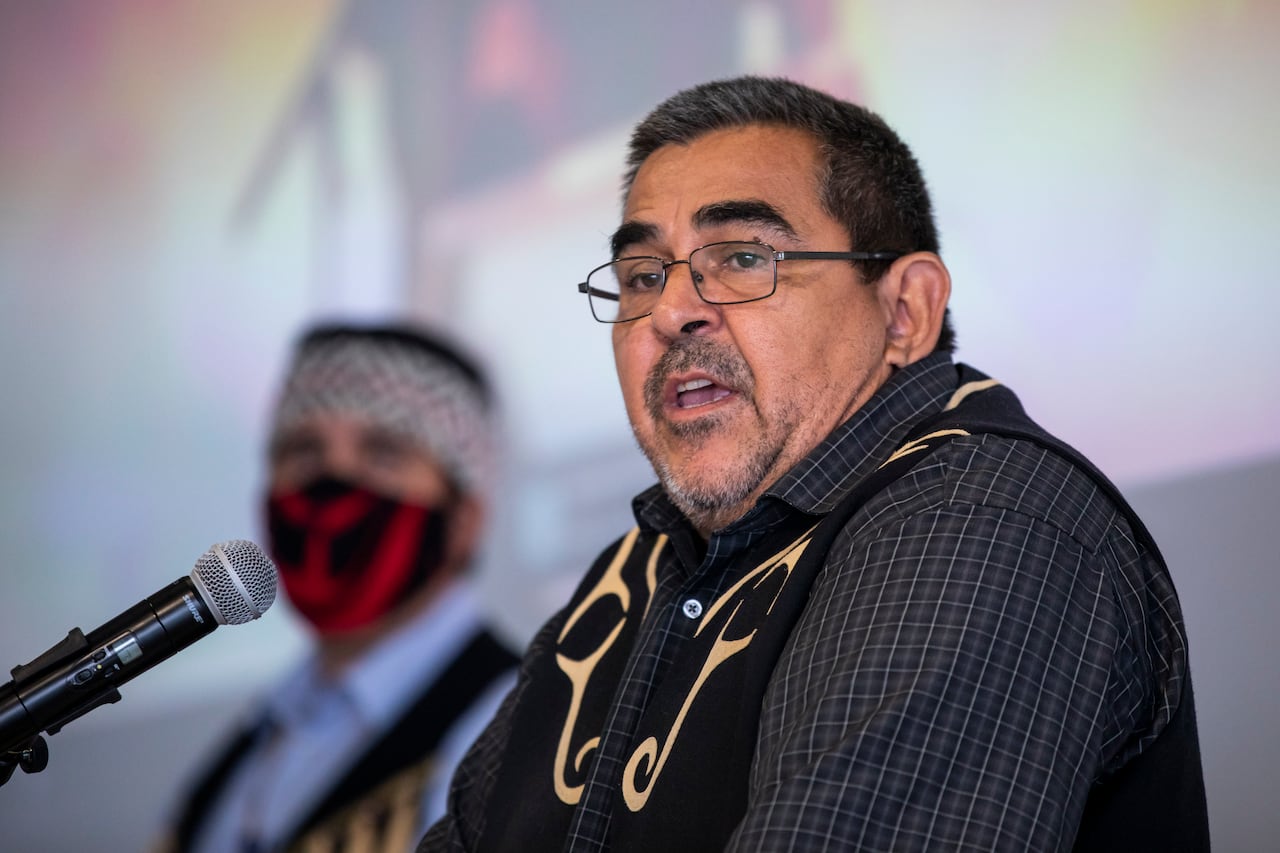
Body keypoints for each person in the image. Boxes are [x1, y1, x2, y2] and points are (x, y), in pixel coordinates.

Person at [418, 76, 1208, 851]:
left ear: (906, 311)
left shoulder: (980, 518)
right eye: (642, 275)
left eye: (741, 258)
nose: (669, 310)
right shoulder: (633, 570)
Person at [159, 322, 518, 853]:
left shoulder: (516, 722)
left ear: (464, 518)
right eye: (303, 451)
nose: (333, 478)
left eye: (384, 454)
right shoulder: (258, 735)